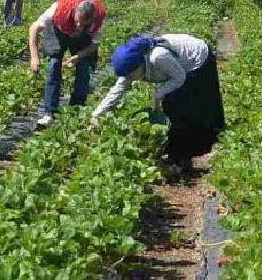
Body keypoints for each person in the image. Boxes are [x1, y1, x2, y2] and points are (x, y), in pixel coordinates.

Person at [93, 34, 225, 175]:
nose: (129, 79)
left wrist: (158, 93)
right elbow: (117, 91)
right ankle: (179, 151)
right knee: (173, 105)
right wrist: (96, 115)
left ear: (139, 65)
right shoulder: (131, 67)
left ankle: (183, 156)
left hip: (198, 59)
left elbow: (180, 77)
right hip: (178, 67)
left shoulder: (158, 58)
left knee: (182, 108)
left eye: (131, 75)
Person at [28, 0, 106, 128]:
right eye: (77, 21)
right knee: (54, 64)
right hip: (58, 29)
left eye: (84, 23)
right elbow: (34, 28)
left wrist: (78, 56)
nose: (79, 25)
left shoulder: (98, 19)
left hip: (83, 39)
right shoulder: (58, 10)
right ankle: (49, 113)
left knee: (84, 67)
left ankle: (76, 110)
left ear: (92, 19)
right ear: (75, 11)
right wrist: (34, 57)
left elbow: (94, 44)